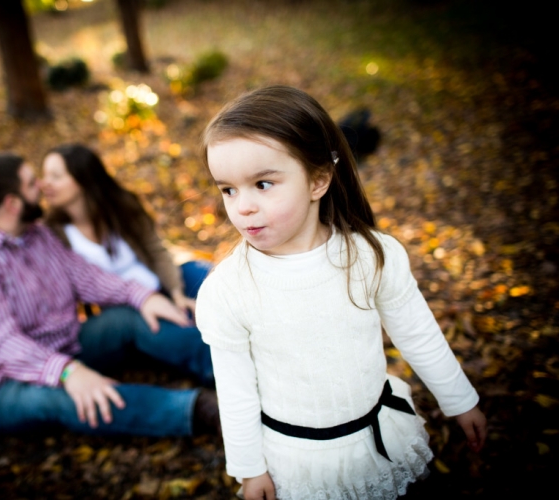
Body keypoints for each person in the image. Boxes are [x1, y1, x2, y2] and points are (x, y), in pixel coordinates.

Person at [195, 86, 487, 500]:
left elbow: (417, 332)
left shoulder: (370, 256)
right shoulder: (227, 290)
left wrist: (459, 400)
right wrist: (249, 470)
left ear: (318, 180)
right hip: (299, 463)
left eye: (262, 184)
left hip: (378, 441)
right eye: (228, 189)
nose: (242, 206)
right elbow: (236, 388)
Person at [0, 152, 218, 437]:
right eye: (31, 183)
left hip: (62, 345)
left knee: (129, 317)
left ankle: (226, 367)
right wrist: (67, 372)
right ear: (12, 203)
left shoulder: (35, 234)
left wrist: (142, 295)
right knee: (75, 399)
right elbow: (1, 347)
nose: (40, 186)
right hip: (0, 385)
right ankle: (199, 410)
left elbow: (86, 277)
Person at [40, 144, 210, 317]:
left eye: (55, 176)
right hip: (123, 313)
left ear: (82, 179)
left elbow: (156, 251)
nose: (44, 184)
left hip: (158, 285)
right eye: (44, 176)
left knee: (209, 277)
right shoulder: (52, 234)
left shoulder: (122, 207)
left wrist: (176, 293)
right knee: (185, 329)